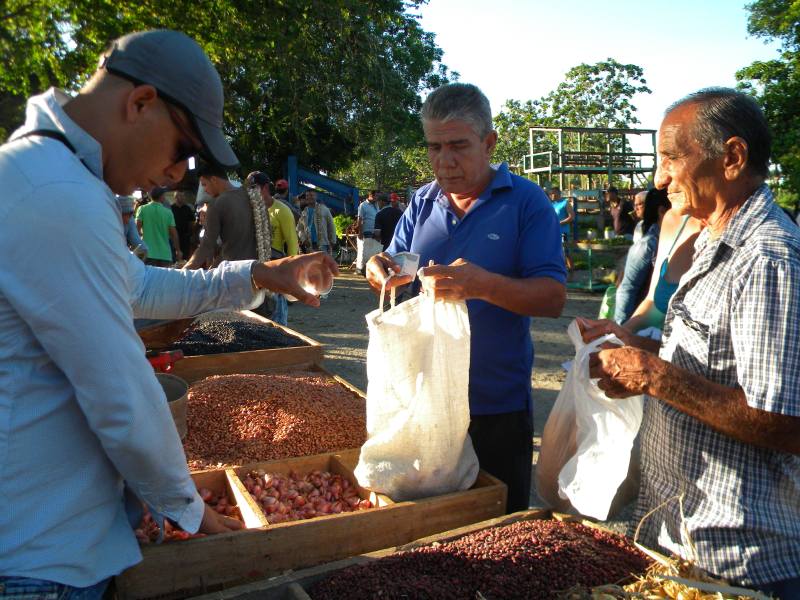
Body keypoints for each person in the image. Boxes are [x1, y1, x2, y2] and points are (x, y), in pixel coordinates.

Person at [0, 30, 337, 598]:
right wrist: (186, 504)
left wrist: (257, 274)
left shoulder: (54, 176)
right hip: (38, 556)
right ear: (140, 103)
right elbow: (121, 390)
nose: (180, 171)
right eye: (182, 146)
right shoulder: (57, 191)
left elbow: (138, 286)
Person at [586, 88, 800, 597]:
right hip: (682, 538)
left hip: (743, 561)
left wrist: (656, 377)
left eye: (671, 158)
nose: (659, 179)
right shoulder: (709, 237)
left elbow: (785, 423)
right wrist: (642, 362)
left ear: (732, 157)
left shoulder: (767, 260)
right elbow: (718, 366)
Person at [366, 83, 566, 514]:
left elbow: (552, 298)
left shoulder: (526, 203)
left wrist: (481, 285)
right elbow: (397, 263)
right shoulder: (423, 201)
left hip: (496, 405)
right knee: (426, 526)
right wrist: (379, 268)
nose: (445, 161)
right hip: (424, 399)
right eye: (434, 147)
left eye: (458, 145)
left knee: (498, 527)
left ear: (489, 142)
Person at [247, 171, 300, 325]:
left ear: (264, 188)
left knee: (277, 317)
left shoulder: (281, 210)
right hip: (253, 270)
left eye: (253, 187)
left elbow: (292, 243)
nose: (250, 191)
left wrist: (291, 275)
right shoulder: (248, 210)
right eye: (248, 188)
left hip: (276, 268)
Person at [613, 188, 670, 324]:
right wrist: (621, 330)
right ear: (662, 211)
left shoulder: (672, 238)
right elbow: (627, 288)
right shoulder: (648, 244)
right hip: (643, 322)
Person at [136, 186, 181, 266]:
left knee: (149, 278)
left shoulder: (142, 209)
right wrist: (178, 250)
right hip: (165, 254)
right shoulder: (168, 213)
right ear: (162, 196)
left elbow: (137, 229)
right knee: (164, 278)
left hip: (147, 253)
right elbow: (174, 234)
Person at [302, 190, 336, 255]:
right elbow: (299, 228)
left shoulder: (324, 209)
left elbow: (331, 225)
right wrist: (304, 239)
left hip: (323, 245)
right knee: (311, 265)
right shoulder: (304, 212)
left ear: (316, 197)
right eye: (307, 195)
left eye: (311, 195)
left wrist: (332, 241)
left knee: (322, 264)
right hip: (309, 246)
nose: (309, 197)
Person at [549, 186, 575, 271]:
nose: (551, 195)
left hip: (563, 232)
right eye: (550, 193)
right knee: (554, 252)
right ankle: (559, 270)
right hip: (553, 232)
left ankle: (571, 270)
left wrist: (560, 223)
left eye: (553, 193)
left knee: (566, 252)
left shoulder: (565, 202)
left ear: (558, 193)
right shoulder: (551, 204)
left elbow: (572, 217)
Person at [356, 190, 381, 273]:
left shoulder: (376, 205)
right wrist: (360, 232)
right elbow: (360, 219)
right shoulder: (363, 205)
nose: (377, 198)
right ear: (370, 196)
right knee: (366, 251)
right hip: (367, 230)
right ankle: (363, 269)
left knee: (373, 251)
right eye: (376, 196)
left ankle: (371, 268)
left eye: (378, 196)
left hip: (375, 231)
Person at [171, 189, 196, 260]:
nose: (183, 197)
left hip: (185, 237)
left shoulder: (187, 208)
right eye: (181, 196)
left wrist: (192, 234)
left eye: (183, 196)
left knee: (185, 256)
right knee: (174, 256)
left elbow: (192, 222)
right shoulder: (171, 209)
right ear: (175, 197)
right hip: (174, 236)